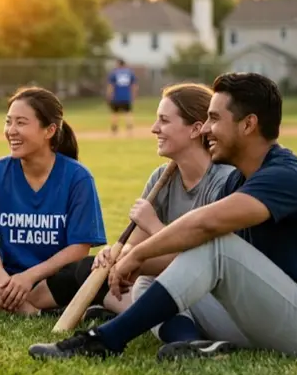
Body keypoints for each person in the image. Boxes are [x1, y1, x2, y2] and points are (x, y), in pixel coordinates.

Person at [28, 72, 297, 362]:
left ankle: (105, 340)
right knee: (146, 280)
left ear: (248, 124)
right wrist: (134, 263)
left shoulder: (286, 176)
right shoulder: (239, 180)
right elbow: (195, 262)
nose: (206, 128)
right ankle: (193, 344)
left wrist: (138, 253)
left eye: (215, 119)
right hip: (263, 319)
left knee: (214, 244)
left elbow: (204, 227)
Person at [29, 83, 238, 341]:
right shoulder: (162, 178)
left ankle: (184, 340)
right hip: (184, 290)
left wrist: (152, 225)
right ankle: (134, 317)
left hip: (223, 301)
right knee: (114, 269)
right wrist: (116, 255)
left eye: (164, 120)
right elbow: (134, 245)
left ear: (196, 129)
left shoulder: (225, 181)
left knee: (145, 280)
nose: (154, 129)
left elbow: (207, 263)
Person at [0, 86, 107, 316]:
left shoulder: (78, 177)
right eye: (8, 122)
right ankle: (37, 311)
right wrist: (1, 279)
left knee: (88, 269)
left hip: (51, 282)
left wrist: (29, 277)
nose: (11, 131)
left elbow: (79, 248)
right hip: (8, 278)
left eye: (21, 123)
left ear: (49, 130)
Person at [106, 59, 137, 136]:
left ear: (118, 64)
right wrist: (133, 95)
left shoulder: (114, 73)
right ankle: (129, 130)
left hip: (117, 97)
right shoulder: (130, 73)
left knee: (115, 113)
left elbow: (111, 86)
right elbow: (134, 86)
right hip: (126, 96)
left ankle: (114, 129)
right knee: (128, 113)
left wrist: (109, 95)